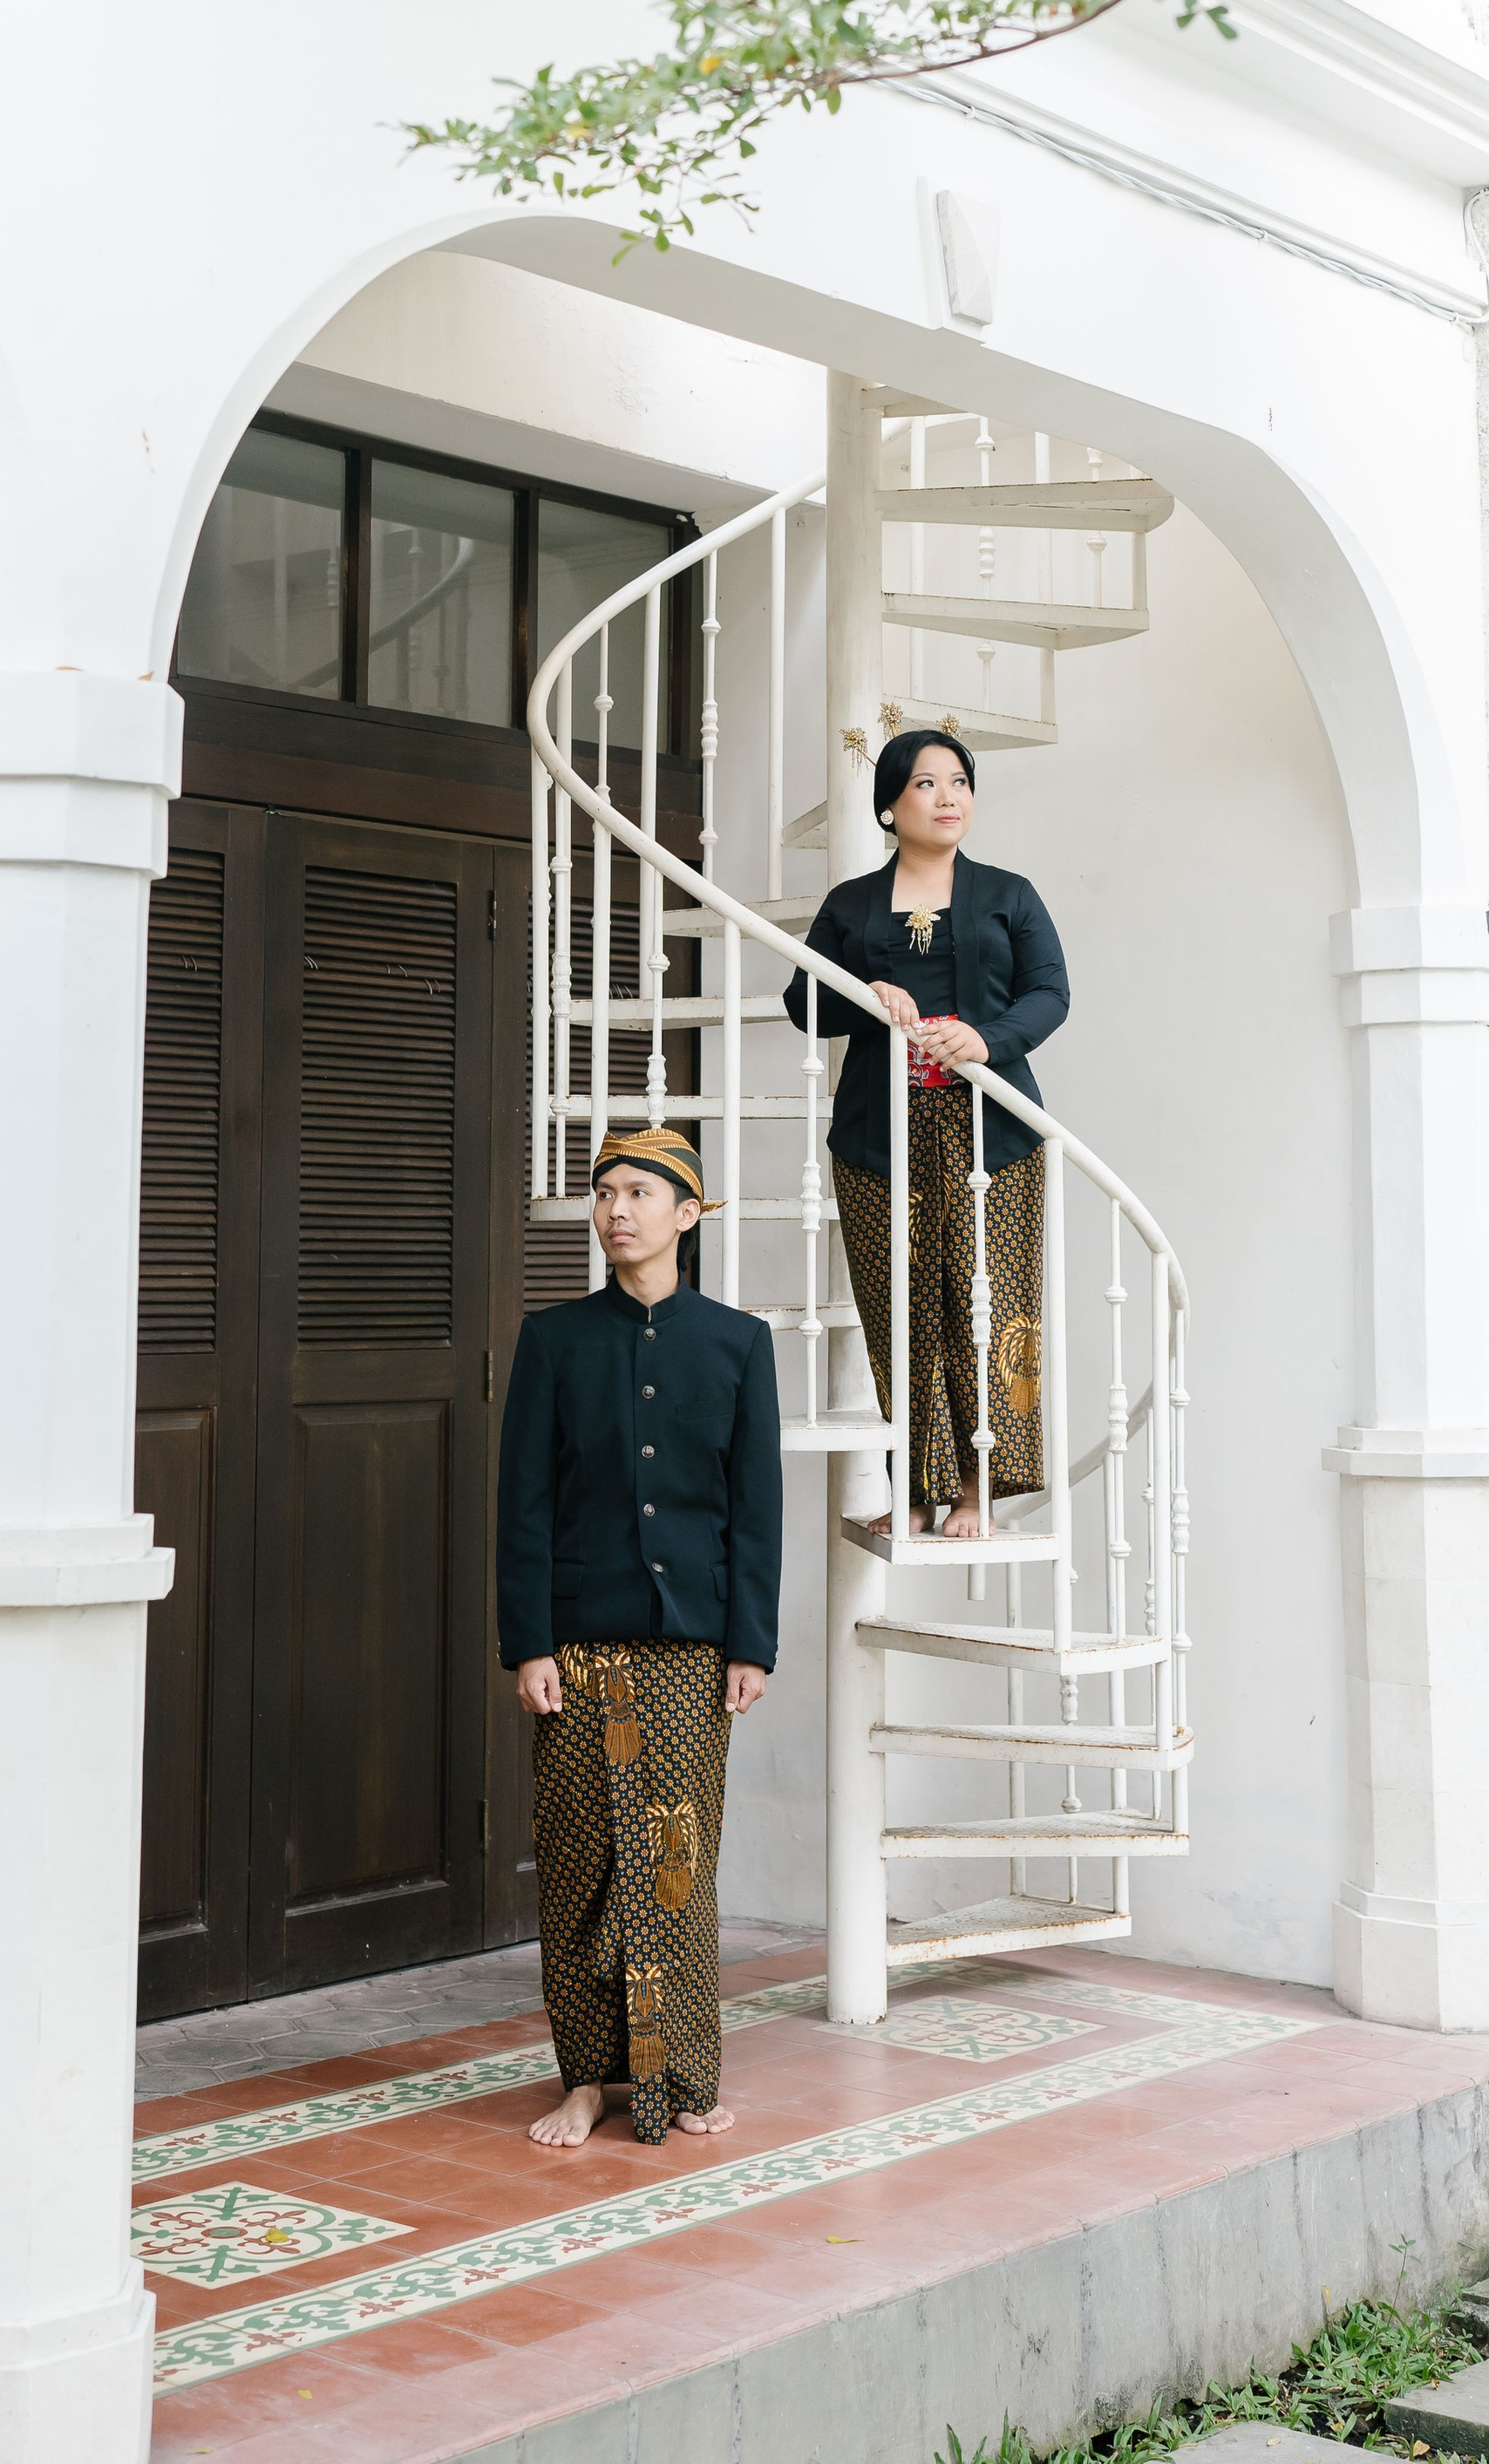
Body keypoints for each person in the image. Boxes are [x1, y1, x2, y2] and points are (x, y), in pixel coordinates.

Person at [496, 1126, 781, 2150]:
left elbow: (756, 1509)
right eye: (603, 1192)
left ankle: (686, 2080)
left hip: (692, 1653)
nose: (616, 1211)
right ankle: (586, 2078)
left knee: (672, 1866)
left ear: (687, 1213)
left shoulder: (738, 1342)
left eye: (639, 1194)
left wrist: (751, 1644)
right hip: (579, 1649)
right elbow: (523, 1506)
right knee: (578, 1869)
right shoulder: (555, 1341)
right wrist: (528, 1644)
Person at [784, 729, 1069, 1540]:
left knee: (987, 1304)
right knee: (899, 1310)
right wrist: (861, 989)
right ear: (889, 804)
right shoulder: (850, 905)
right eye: (926, 784)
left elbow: (1050, 992)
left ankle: (976, 1491)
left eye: (960, 783)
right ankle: (913, 1488)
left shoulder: (1011, 894)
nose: (949, 798)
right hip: (880, 1133)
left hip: (995, 1132)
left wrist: (988, 1042)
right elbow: (804, 1002)